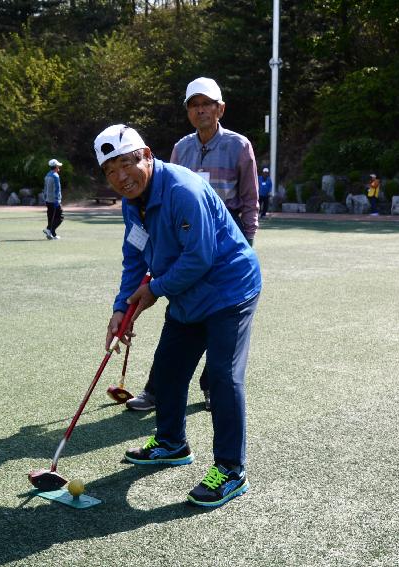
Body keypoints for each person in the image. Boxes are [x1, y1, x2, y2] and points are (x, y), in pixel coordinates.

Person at [95, 124, 261, 507]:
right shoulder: (131, 202)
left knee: (222, 376)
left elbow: (199, 257)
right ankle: (171, 443)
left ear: (147, 156)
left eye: (126, 164)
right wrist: (122, 308)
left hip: (229, 290)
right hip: (187, 295)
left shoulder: (183, 190)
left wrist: (152, 291)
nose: (121, 177)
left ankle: (231, 470)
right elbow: (135, 256)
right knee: (168, 370)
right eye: (110, 171)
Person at [126, 77, 259, 412]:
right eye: (194, 105)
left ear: (220, 108)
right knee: (181, 321)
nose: (200, 110)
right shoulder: (181, 148)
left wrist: (247, 242)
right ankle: (157, 390)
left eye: (207, 104)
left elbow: (249, 200)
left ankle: (211, 387)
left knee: (218, 327)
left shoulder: (239, 145)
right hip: (184, 244)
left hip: (223, 245)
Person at [42, 158, 64, 240]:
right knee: (60, 217)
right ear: (55, 167)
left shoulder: (47, 175)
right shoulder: (55, 176)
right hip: (54, 200)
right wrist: (57, 200)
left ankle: (52, 234)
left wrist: (45, 198)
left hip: (48, 200)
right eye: (58, 166)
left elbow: (45, 188)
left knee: (51, 217)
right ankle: (49, 229)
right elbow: (57, 189)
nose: (59, 168)